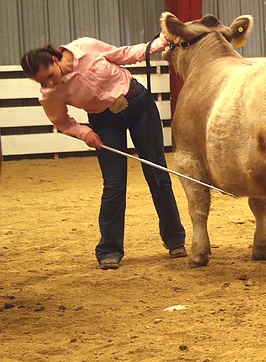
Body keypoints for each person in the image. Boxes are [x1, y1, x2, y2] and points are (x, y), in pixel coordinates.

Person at [20, 38, 187, 269]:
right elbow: (62, 121)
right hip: (105, 122)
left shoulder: (86, 47)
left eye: (49, 75)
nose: (48, 82)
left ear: (55, 59)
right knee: (114, 185)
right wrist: (83, 132)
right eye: (41, 81)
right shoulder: (49, 94)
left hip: (139, 104)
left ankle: (175, 239)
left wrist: (159, 43)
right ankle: (109, 249)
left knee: (157, 174)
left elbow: (124, 54)